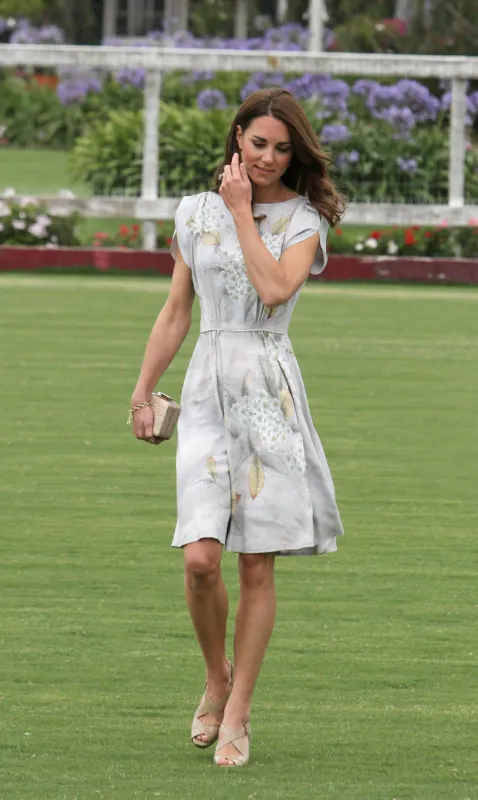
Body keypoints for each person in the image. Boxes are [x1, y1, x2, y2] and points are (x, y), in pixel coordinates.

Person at [129, 87, 345, 767]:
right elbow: (175, 313)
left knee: (256, 562)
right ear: (238, 137)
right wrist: (140, 391)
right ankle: (214, 675)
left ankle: (239, 713)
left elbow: (276, 289)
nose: (269, 158)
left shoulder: (305, 220)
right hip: (204, 388)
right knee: (199, 559)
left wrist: (243, 213)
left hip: (268, 391)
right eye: (259, 144)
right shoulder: (194, 213)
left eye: (283, 149)